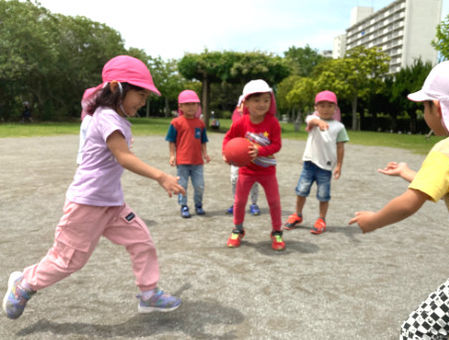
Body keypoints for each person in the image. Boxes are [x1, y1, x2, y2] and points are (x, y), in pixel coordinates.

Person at [2, 55, 186, 320]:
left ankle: (149, 294)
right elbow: (123, 157)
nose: (144, 101)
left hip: (112, 204)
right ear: (116, 88)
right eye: (140, 93)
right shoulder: (107, 116)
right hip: (87, 204)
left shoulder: (117, 119)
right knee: (68, 261)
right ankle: (25, 284)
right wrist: (160, 176)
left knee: (142, 241)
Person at [349, 59, 449, 339]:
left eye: (424, 106)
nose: (425, 112)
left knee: (418, 329)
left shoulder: (448, 150)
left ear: (438, 107)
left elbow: (409, 203)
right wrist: (408, 172)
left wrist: (372, 221)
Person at [222, 79, 285, 251]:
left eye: (266, 100)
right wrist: (226, 153)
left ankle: (277, 232)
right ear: (246, 102)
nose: (262, 104)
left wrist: (260, 151)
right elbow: (228, 139)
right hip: (247, 170)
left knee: (274, 202)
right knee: (240, 201)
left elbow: (277, 145)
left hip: (267, 171)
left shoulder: (273, 123)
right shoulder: (241, 122)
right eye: (256, 100)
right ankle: (237, 229)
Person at [284, 91, 348, 234]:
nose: (326, 109)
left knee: (324, 195)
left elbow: (340, 147)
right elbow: (310, 121)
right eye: (322, 106)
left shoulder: (339, 127)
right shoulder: (312, 119)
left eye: (330, 106)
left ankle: (321, 219)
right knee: (301, 191)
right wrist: (319, 122)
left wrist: (339, 165)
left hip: (325, 168)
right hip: (309, 164)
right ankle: (297, 215)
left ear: (336, 108)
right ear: (316, 107)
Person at [165, 90, 210, 218]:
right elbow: (171, 141)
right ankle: (184, 206)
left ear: (198, 106)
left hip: (197, 162)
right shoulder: (176, 123)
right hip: (183, 162)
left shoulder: (200, 124)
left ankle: (198, 205)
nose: (191, 107)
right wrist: (172, 156)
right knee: (182, 186)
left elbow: (203, 141)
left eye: (194, 104)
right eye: (188, 104)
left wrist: (205, 154)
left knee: (199, 185)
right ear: (181, 107)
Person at [226, 94, 261, 216]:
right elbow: (229, 140)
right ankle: (237, 202)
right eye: (243, 104)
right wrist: (227, 154)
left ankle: (253, 203)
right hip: (237, 158)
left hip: (251, 158)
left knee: (253, 181)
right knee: (235, 179)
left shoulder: (256, 123)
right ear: (239, 107)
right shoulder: (235, 124)